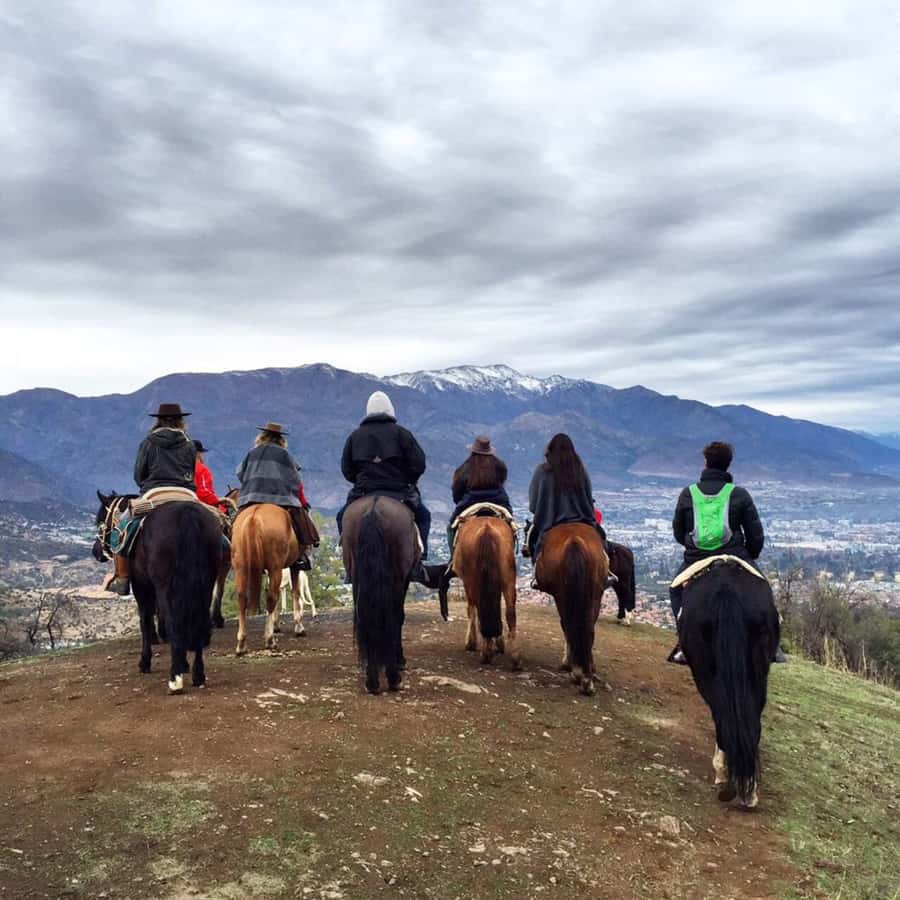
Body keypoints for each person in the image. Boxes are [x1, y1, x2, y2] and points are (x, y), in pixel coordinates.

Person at [668, 440, 770, 664]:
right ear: (728, 465)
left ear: (705, 463)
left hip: (697, 559)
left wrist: (692, 548)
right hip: (734, 556)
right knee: (763, 587)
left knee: (676, 590)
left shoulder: (688, 494)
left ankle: (685, 644)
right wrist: (749, 556)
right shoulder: (740, 494)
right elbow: (755, 535)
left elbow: (678, 532)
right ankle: (770, 645)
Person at [106, 402, 197, 595]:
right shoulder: (189, 443)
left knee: (121, 528)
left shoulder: (149, 442)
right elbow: (191, 471)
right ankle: (222, 562)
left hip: (154, 493)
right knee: (220, 531)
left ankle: (122, 578)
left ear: (158, 420)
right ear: (180, 421)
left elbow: (139, 475)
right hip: (185, 494)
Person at [337, 391, 431, 559]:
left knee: (341, 517)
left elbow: (347, 470)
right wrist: (408, 480)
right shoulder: (402, 434)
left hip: (363, 491)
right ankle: (420, 559)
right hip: (400, 492)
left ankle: (348, 560)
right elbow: (419, 464)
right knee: (424, 517)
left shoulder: (354, 437)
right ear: (391, 410)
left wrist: (360, 480)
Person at [235, 422, 319, 563]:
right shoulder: (284, 454)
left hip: (251, 498)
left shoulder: (252, 453)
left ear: (262, 436)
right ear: (280, 439)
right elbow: (295, 479)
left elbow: (240, 474)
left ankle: (234, 548)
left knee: (234, 523)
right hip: (280, 499)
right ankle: (305, 551)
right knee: (301, 520)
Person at [525, 433, 599, 564]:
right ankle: (606, 571)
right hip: (583, 521)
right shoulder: (580, 470)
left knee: (533, 542)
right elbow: (588, 499)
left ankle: (536, 570)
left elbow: (533, 506)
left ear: (550, 450)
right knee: (601, 541)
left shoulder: (542, 471)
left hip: (550, 524)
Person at [448, 435, 512, 551]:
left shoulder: (464, 468)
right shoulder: (499, 465)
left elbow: (457, 493)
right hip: (499, 501)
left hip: (469, 502)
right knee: (510, 525)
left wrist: (460, 502)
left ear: (473, 451)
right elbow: (502, 482)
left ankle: (453, 559)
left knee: (451, 527)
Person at [193, 440, 224, 510]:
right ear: (198, 453)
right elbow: (203, 492)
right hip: (202, 505)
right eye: (201, 452)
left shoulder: (183, 468)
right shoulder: (201, 468)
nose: (202, 455)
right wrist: (218, 502)